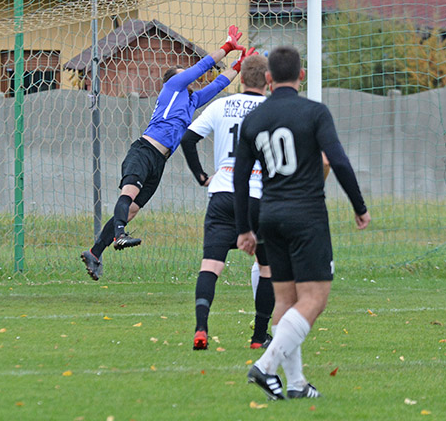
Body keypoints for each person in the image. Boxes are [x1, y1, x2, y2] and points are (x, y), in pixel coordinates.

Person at [233, 46, 371, 400]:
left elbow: (240, 177)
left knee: (286, 300)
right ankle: (265, 366)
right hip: (305, 215)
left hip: (270, 216)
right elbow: (337, 160)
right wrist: (359, 205)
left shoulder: (254, 120)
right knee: (314, 299)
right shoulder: (314, 112)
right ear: (302, 75)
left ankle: (295, 384)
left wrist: (245, 228)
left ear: (268, 78)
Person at [80, 25, 253, 280]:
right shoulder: (173, 86)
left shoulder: (191, 100)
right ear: (175, 78)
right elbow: (203, 67)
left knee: (132, 210)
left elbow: (217, 84)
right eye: (185, 74)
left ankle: (95, 252)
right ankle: (118, 235)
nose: (190, 78)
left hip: (160, 161)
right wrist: (226, 47)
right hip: (144, 150)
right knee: (129, 193)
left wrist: (240, 65)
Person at [180, 54, 274, 351]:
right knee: (267, 267)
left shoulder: (221, 106)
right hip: (258, 197)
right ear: (268, 80)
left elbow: (188, 138)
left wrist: (201, 176)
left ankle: (201, 329)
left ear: (242, 78)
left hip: (222, 194)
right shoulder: (273, 110)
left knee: (210, 266)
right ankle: (259, 337)